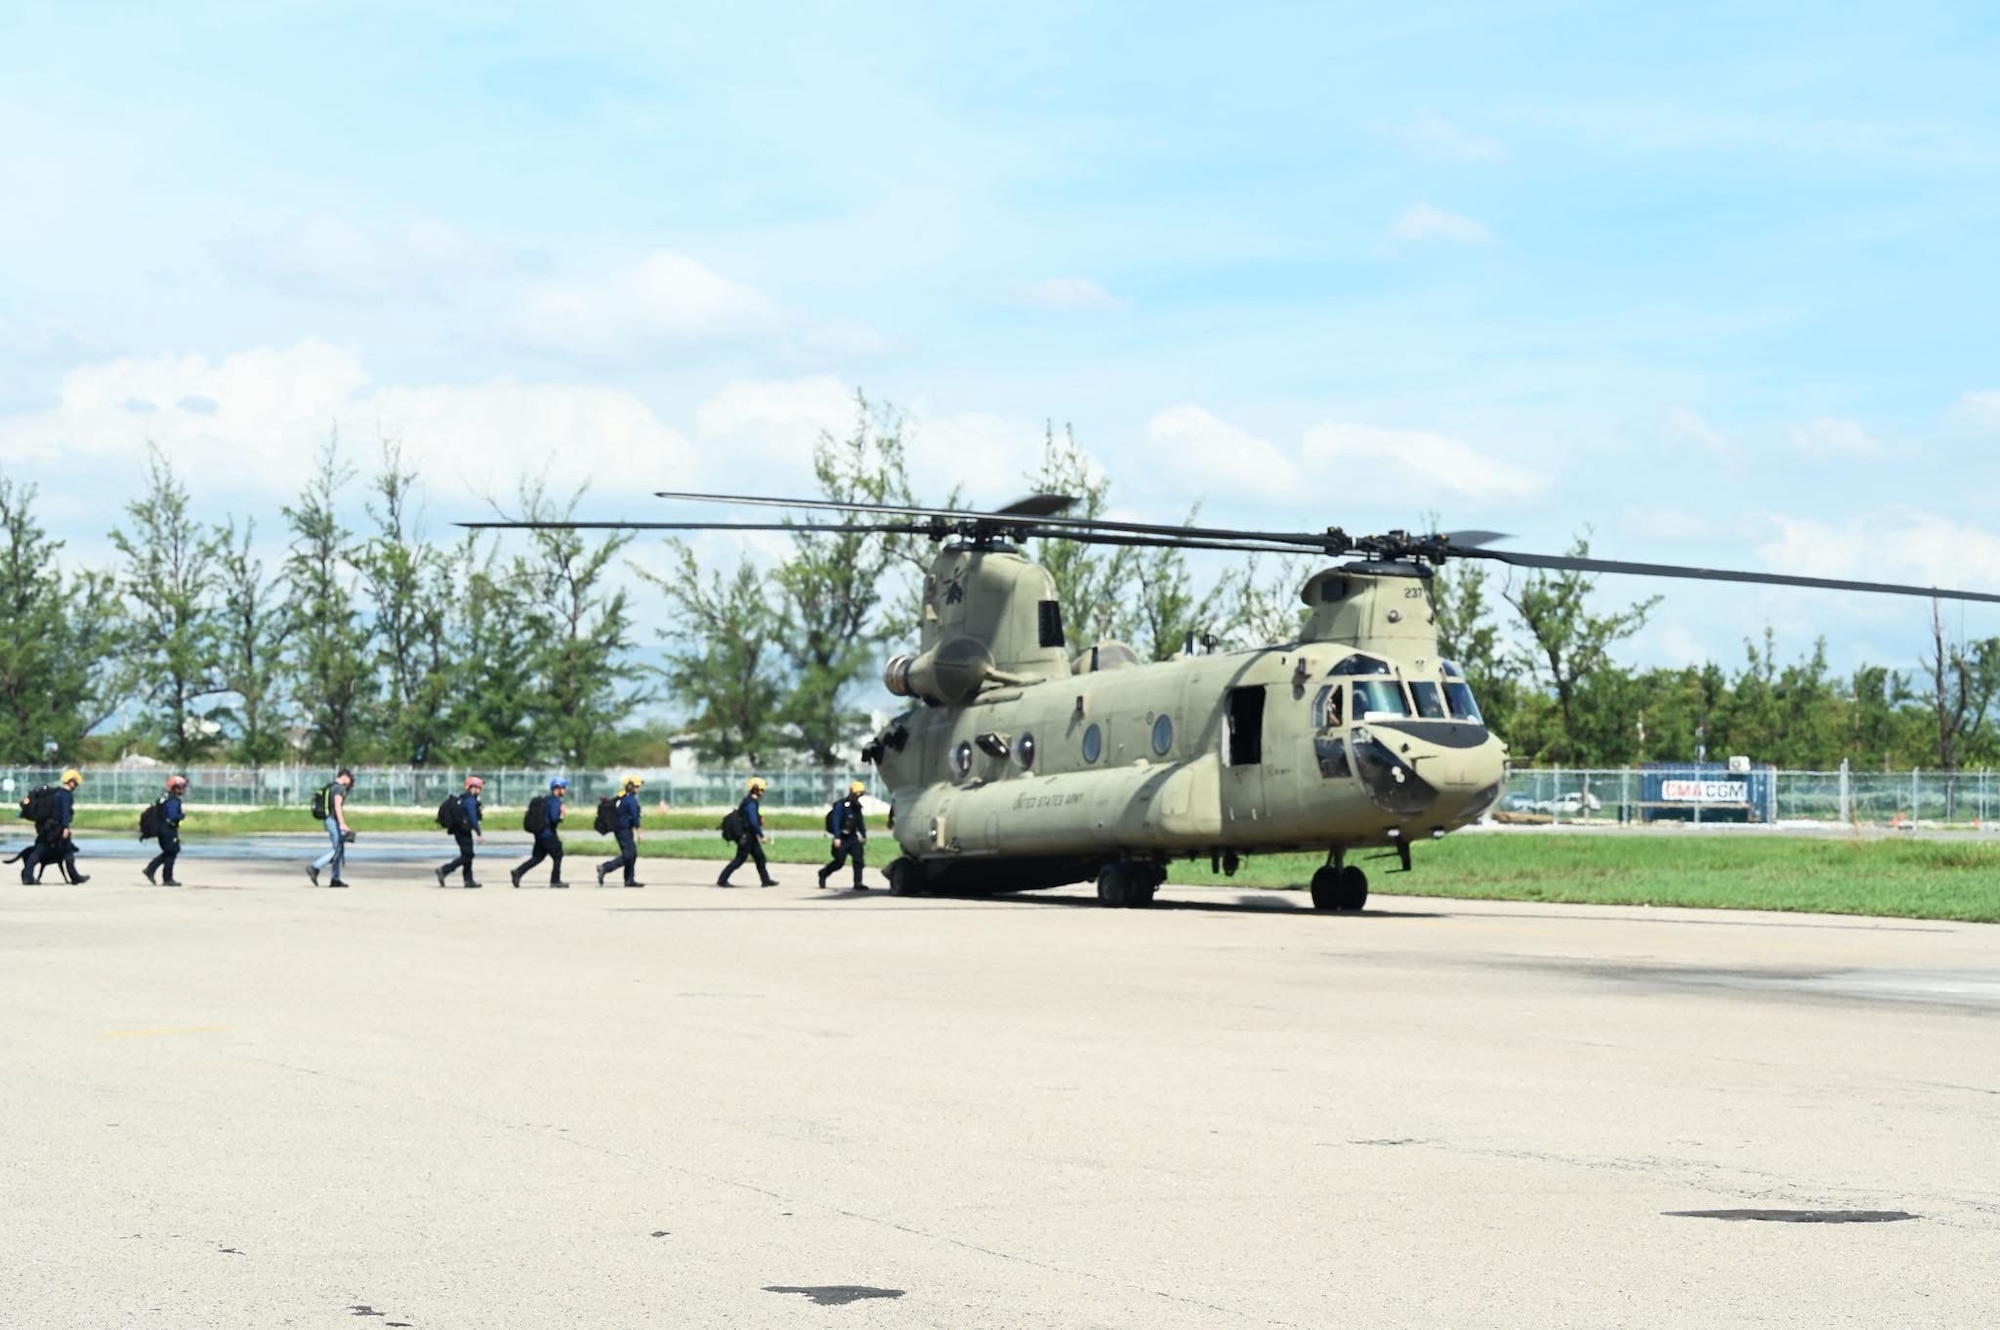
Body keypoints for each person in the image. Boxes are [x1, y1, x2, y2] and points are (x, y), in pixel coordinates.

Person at [20, 769, 86, 885]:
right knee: (67, 851)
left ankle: (27, 877)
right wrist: (65, 827)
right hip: (58, 827)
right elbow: (65, 812)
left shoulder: (55, 793)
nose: (76, 785)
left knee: (38, 851)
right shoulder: (66, 795)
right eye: (75, 782)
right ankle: (74, 876)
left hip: (46, 827)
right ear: (70, 782)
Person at [717, 776, 777, 888]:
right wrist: (761, 835)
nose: (763, 792)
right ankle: (722, 880)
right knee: (739, 859)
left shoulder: (751, 802)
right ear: (755, 789)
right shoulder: (751, 803)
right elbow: (753, 821)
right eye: (761, 790)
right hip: (746, 836)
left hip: (750, 836)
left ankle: (765, 880)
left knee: (760, 857)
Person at [512, 776, 569, 888]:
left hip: (540, 833)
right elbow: (554, 818)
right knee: (558, 855)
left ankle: (518, 872)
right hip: (548, 834)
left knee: (538, 857)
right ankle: (555, 880)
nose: (565, 790)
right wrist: (561, 815)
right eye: (563, 787)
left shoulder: (546, 799)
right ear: (557, 788)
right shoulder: (555, 802)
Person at [817, 781, 870, 890]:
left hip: (852, 837)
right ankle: (823, 873)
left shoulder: (857, 806)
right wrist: (836, 837)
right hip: (841, 837)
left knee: (858, 859)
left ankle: (858, 882)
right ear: (852, 793)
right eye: (857, 794)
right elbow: (836, 821)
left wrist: (863, 834)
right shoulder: (840, 805)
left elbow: (860, 821)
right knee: (839, 862)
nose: (859, 796)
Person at [436, 775, 485, 888]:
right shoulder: (470, 801)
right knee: (468, 855)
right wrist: (479, 833)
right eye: (477, 787)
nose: (479, 790)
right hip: (463, 831)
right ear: (471, 788)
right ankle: (444, 870)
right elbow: (473, 818)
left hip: (460, 830)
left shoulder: (464, 799)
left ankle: (468, 880)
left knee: (467, 854)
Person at [308, 769, 355, 888]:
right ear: (345, 777)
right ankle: (315, 867)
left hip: (328, 820)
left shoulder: (330, 786)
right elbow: (337, 806)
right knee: (337, 849)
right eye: (350, 780)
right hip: (333, 820)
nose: (350, 783)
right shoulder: (339, 788)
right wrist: (342, 823)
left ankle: (335, 878)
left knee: (339, 849)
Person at [596, 774, 645, 887]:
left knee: (631, 854)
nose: (638, 789)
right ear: (630, 787)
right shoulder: (630, 799)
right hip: (624, 831)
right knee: (629, 854)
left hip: (620, 830)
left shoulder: (622, 797)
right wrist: (639, 831)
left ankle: (629, 879)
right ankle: (605, 868)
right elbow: (634, 816)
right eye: (636, 786)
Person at [142, 774, 189, 887]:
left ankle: (153, 870)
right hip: (168, 829)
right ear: (175, 787)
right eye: (181, 787)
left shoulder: (164, 798)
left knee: (171, 851)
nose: (183, 790)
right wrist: (181, 816)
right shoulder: (173, 800)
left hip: (162, 829)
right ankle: (162, 875)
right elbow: (172, 816)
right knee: (172, 851)